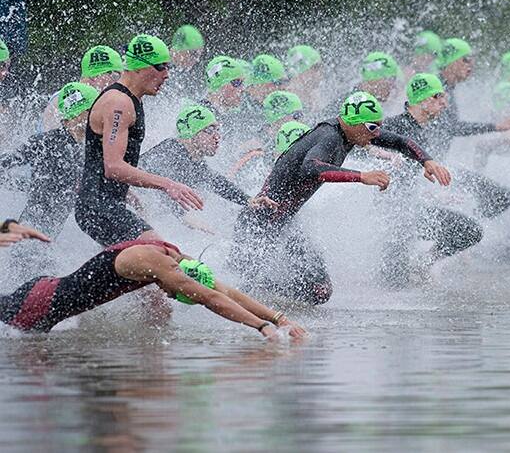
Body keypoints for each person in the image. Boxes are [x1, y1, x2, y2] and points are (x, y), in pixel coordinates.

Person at [231, 91, 451, 304]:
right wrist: (361, 176)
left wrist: (427, 161)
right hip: (260, 223)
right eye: (373, 127)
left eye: (379, 126)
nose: (377, 134)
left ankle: (266, 290)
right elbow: (311, 167)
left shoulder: (353, 132)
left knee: (320, 292)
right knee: (244, 287)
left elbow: (401, 141)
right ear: (353, 122)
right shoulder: (329, 137)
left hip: (286, 223)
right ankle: (256, 298)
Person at [0, 238, 305, 339]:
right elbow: (210, 299)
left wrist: (279, 318)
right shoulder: (157, 264)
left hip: (44, 290)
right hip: (38, 307)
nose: (170, 295)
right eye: (176, 292)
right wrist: (262, 327)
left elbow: (222, 289)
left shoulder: (171, 254)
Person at [75, 34, 203, 247]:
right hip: (97, 207)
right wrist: (167, 184)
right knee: (161, 255)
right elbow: (113, 167)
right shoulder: (119, 103)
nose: (166, 75)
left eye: (168, 67)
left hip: (107, 205)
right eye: (160, 67)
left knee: (141, 270)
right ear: (138, 67)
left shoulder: (131, 100)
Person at [380, 73, 484, 287]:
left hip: (409, 209)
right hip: (390, 215)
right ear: (423, 99)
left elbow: (410, 175)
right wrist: (386, 155)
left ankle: (423, 262)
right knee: (393, 288)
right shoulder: (395, 125)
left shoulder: (421, 131)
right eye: (439, 97)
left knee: (469, 230)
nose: (445, 103)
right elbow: (361, 142)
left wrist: (436, 194)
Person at [0, 82, 96, 277]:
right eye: (94, 109)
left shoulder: (86, 150)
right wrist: (24, 185)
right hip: (30, 230)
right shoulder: (44, 142)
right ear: (80, 113)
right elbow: (5, 162)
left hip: (47, 234)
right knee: (24, 274)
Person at [139, 104, 275, 233]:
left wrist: (248, 200)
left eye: (217, 130)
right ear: (190, 132)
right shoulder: (170, 151)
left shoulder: (194, 162)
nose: (217, 137)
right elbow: (161, 185)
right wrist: (184, 216)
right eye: (209, 131)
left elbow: (217, 182)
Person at [434, 38, 510, 218]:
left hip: (438, 167)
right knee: (500, 196)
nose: (471, 65)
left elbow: (447, 128)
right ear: (450, 61)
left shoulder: (447, 88)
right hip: (432, 170)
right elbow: (452, 127)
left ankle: (470, 231)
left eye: (473, 60)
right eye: (466, 60)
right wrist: (495, 126)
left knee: (497, 197)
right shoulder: (438, 88)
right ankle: (470, 232)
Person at [228, 91, 305, 190]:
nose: (302, 120)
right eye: (297, 116)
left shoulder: (280, 141)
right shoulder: (254, 149)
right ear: (279, 117)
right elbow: (231, 180)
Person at [39, 45, 124, 131]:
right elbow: (48, 139)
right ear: (94, 77)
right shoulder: (63, 99)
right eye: (115, 76)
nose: (118, 82)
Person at [285, 45, 325, 114]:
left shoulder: (315, 96)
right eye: (316, 68)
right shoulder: (286, 101)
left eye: (321, 67)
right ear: (300, 71)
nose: (321, 73)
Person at [168, 24, 205, 96]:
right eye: (194, 54)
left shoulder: (192, 75)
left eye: (199, 55)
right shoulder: (157, 70)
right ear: (179, 49)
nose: (197, 59)